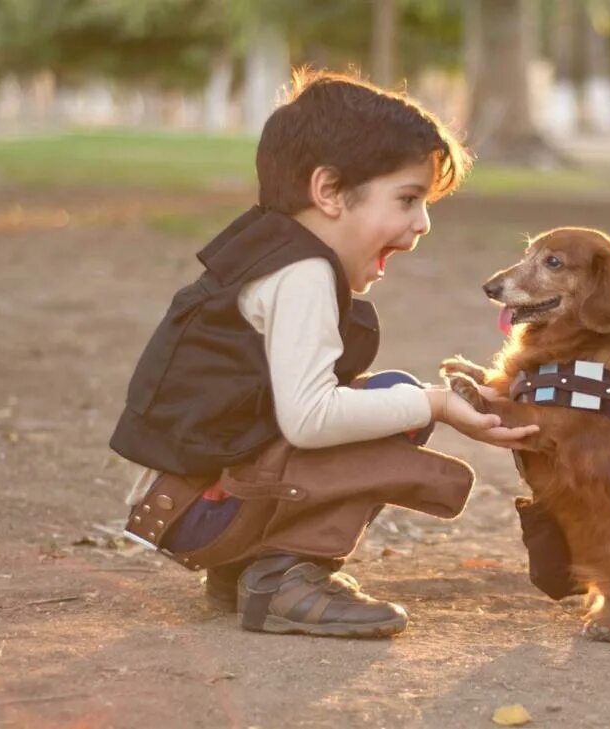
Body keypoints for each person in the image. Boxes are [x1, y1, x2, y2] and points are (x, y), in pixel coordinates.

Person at [110, 69, 538, 638]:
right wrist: (432, 404)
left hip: (189, 504)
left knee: (387, 400)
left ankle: (247, 569)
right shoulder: (303, 274)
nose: (423, 223)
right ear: (330, 192)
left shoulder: (269, 250)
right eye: (408, 199)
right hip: (199, 514)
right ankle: (283, 576)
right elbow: (309, 419)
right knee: (394, 403)